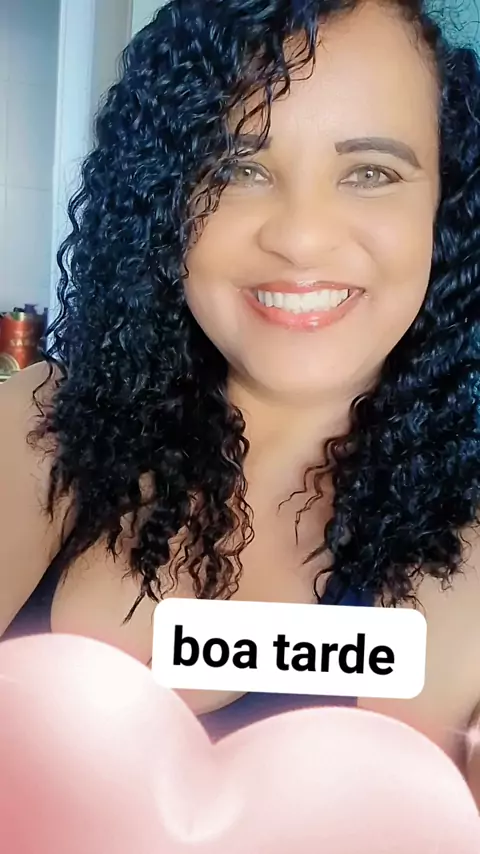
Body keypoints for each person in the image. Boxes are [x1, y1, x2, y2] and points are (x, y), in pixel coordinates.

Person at [0, 0, 479, 789]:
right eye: (237, 169)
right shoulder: (39, 430)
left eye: (371, 173)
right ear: (166, 197)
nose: (300, 237)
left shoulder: (469, 565)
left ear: (446, 206)